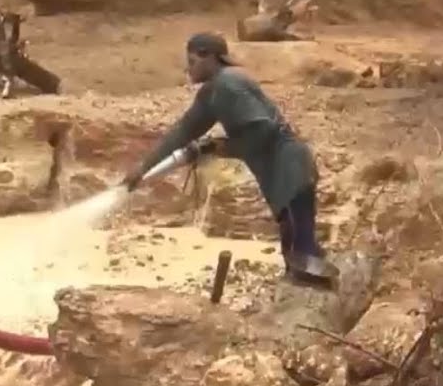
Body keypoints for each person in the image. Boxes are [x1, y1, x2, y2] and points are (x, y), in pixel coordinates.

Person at [120, 33, 338, 286]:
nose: (187, 68)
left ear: (210, 57)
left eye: (192, 61)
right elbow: (182, 131)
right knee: (295, 244)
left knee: (301, 250)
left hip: (289, 166)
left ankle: (307, 302)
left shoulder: (229, 84)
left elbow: (263, 130)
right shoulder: (213, 92)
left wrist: (224, 147)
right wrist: (144, 166)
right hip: (283, 169)